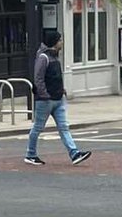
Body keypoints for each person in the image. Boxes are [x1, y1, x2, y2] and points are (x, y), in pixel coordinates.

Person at [24, 30, 91, 167]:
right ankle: (30, 154)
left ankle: (74, 153)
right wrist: (44, 94)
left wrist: (62, 90)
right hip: (46, 100)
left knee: (64, 127)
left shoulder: (54, 56)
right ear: (54, 42)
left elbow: (55, 77)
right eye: (60, 40)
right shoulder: (44, 57)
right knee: (38, 127)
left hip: (58, 99)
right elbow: (38, 78)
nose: (62, 42)